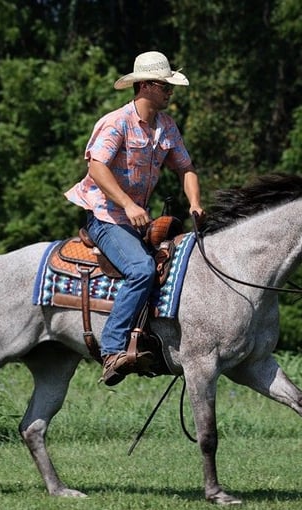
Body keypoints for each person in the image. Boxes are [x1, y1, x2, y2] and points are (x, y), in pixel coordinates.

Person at [65, 51, 205, 385]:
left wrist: (196, 204)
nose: (169, 91)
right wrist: (128, 204)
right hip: (106, 217)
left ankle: (150, 341)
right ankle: (112, 349)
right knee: (141, 269)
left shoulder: (167, 127)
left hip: (134, 220)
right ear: (143, 86)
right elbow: (96, 167)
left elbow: (185, 168)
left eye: (169, 86)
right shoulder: (117, 122)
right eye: (163, 85)